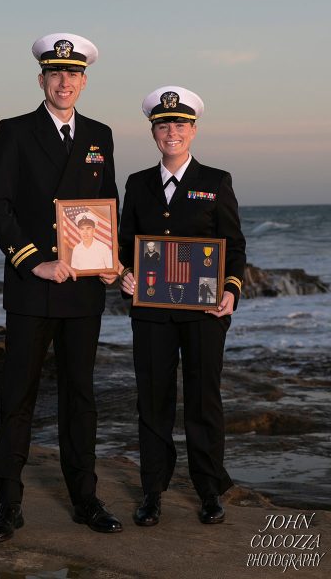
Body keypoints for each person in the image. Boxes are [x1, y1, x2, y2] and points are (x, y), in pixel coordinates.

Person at [0, 32, 122, 542]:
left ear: (84, 81)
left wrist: (110, 260)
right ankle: (7, 505)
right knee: (17, 397)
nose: (65, 82)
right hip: (32, 288)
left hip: (83, 291)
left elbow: (106, 202)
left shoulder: (100, 134)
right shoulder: (14, 130)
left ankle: (86, 499)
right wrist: (33, 261)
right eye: (56, 74)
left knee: (80, 398)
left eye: (74, 74)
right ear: (42, 79)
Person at [119, 86, 246, 527]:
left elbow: (234, 246)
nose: (171, 131)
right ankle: (152, 490)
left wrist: (230, 289)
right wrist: (125, 276)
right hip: (151, 311)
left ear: (193, 130)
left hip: (204, 314)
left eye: (179, 124)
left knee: (203, 400)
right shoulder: (137, 184)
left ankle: (209, 490)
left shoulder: (216, 181)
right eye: (162, 124)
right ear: (153, 130)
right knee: (152, 401)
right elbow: (124, 246)